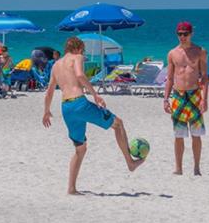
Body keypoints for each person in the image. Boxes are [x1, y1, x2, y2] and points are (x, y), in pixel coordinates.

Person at [43, 36, 144, 195]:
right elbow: (80, 75)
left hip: (66, 108)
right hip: (79, 103)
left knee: (80, 149)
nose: (83, 54)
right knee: (118, 124)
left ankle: (71, 188)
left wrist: (46, 111)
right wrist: (95, 95)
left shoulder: (56, 65)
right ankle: (130, 162)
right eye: (82, 50)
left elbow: (49, 91)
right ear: (77, 49)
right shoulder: (77, 57)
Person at [163, 22, 208, 176]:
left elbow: (205, 79)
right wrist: (165, 99)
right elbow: (169, 78)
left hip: (194, 95)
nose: (182, 37)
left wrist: (205, 99)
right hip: (178, 95)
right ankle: (179, 168)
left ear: (191, 34)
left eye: (185, 34)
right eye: (179, 34)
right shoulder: (172, 53)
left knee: (196, 133)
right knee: (179, 134)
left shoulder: (200, 51)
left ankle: (196, 167)